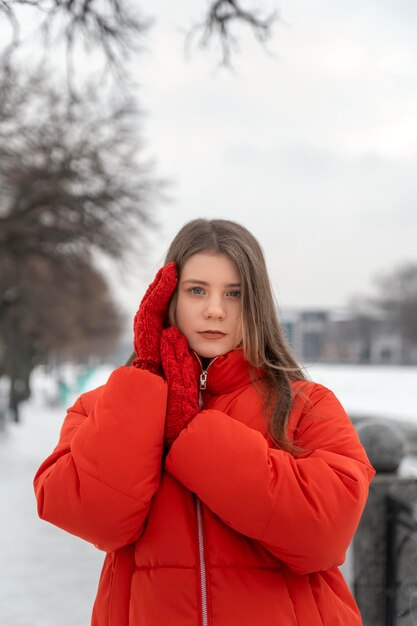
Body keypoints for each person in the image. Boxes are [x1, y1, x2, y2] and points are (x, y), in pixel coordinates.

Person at [34, 218, 375, 626]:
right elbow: (95, 517)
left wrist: (191, 432)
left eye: (234, 294)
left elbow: (324, 535)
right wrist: (146, 377)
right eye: (197, 290)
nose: (215, 310)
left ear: (256, 305)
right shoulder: (107, 406)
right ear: (167, 299)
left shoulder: (307, 405)